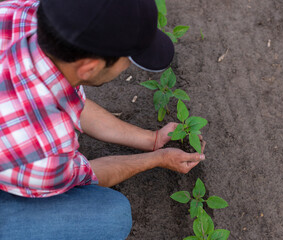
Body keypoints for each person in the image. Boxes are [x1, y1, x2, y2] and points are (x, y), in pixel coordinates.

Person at [0, 0, 206, 239]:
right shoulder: (45, 152)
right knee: (109, 216)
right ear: (88, 68)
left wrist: (152, 139)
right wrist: (156, 159)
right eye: (126, 61)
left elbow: (71, 102)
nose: (126, 68)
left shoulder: (18, 13)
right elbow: (89, 174)